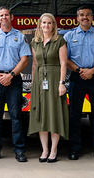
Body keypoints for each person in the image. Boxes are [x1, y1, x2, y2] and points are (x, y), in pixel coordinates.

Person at [64, 6, 94, 161]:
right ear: (77, 18)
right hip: (77, 78)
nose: (85, 17)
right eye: (82, 15)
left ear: (92, 18)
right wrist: (79, 70)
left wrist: (91, 71)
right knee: (74, 115)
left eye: (88, 15)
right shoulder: (69, 36)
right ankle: (74, 149)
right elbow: (65, 59)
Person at [0, 7, 30, 163]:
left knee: (16, 116)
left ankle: (19, 150)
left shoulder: (20, 37)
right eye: (1, 15)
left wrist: (10, 75)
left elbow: (24, 60)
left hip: (14, 79)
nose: (4, 17)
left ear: (12, 17)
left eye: (6, 15)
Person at [28, 13, 69, 163]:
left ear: (53, 25)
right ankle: (44, 149)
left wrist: (61, 83)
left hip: (54, 79)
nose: (46, 25)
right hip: (39, 81)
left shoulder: (60, 41)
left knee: (54, 113)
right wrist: (33, 84)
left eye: (49, 23)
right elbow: (34, 65)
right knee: (41, 115)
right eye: (43, 23)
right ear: (40, 24)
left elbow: (63, 63)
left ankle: (54, 149)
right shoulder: (35, 42)